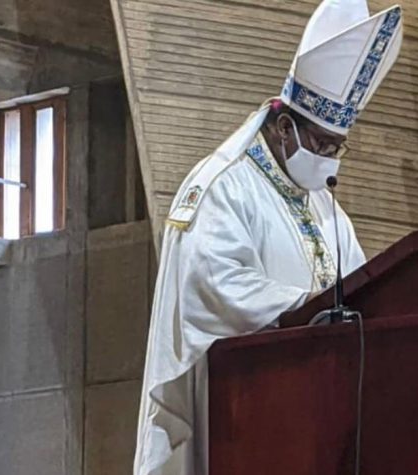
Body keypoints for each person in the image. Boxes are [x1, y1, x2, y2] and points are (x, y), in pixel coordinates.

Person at [134, 1, 403, 474]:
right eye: (320, 143)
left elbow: (362, 289)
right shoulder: (224, 187)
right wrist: (309, 307)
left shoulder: (325, 206)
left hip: (316, 413)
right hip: (244, 409)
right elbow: (212, 284)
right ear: (284, 128)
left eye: (337, 147)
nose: (329, 159)